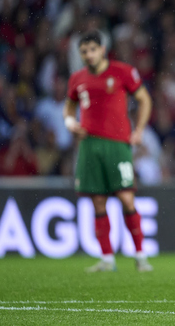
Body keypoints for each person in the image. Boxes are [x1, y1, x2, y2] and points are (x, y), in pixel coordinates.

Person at [63, 30, 154, 273]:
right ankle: (107, 259)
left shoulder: (122, 71)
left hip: (117, 144)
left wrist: (140, 130)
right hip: (90, 145)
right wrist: (71, 124)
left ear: (102, 50)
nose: (89, 55)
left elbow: (144, 99)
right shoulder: (77, 79)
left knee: (126, 197)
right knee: (98, 202)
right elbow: (69, 108)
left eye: (92, 50)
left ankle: (140, 255)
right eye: (84, 52)